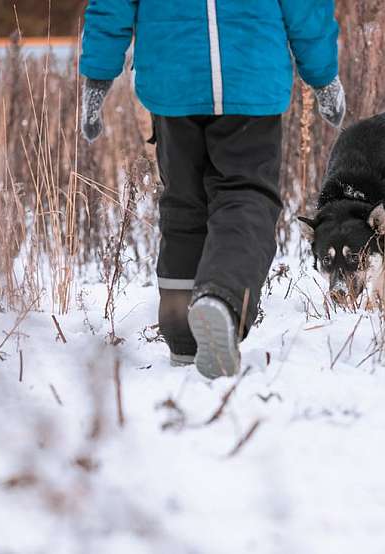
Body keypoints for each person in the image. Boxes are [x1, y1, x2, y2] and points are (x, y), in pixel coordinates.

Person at [79, 0, 344, 378]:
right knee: (247, 196)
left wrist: (98, 76)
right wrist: (323, 75)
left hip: (174, 78)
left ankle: (183, 333)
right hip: (249, 75)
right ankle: (220, 299)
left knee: (184, 203)